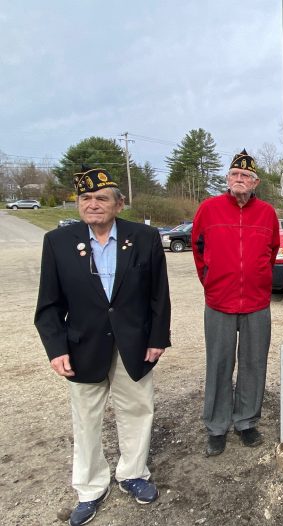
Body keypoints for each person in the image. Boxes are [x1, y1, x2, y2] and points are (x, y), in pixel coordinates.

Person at [35, 168, 171, 526]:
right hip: (83, 346)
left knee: (138, 410)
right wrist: (56, 348)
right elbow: (49, 304)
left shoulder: (144, 237)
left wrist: (158, 338)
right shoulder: (58, 242)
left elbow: (159, 295)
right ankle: (91, 488)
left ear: (118, 203)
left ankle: (133, 474)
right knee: (86, 420)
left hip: (134, 343)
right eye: (85, 199)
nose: (93, 205)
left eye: (101, 198)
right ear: (78, 203)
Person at [192, 149, 280, 456]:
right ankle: (217, 426)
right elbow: (198, 249)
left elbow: (272, 251)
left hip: (256, 302)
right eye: (234, 175)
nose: (239, 180)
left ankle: (246, 421)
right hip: (219, 301)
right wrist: (212, 280)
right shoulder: (209, 209)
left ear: (255, 183)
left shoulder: (267, 213)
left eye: (245, 176)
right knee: (218, 364)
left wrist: (258, 279)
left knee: (254, 364)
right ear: (228, 179)